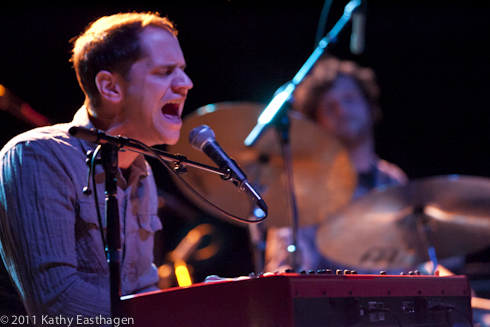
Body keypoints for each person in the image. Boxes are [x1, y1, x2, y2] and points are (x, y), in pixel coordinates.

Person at [0, 12, 193, 319]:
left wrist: (207, 301)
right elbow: (57, 303)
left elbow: (140, 291)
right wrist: (178, 318)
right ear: (110, 87)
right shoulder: (36, 155)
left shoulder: (141, 171)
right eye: (165, 72)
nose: (186, 84)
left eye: (182, 71)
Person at [264, 56, 408, 273]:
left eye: (349, 99)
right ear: (317, 125)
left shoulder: (393, 179)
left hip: (396, 302)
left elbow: (415, 257)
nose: (342, 111)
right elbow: (287, 270)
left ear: (368, 105)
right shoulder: (305, 188)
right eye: (330, 107)